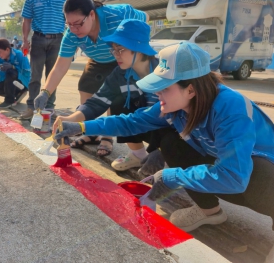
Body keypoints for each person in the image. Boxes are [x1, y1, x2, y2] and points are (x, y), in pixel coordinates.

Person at [55, 41, 274, 238]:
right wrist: (81, 126)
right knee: (171, 143)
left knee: (261, 175)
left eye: (164, 88)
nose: (157, 94)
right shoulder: (174, 107)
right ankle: (210, 211)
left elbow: (235, 177)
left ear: (190, 89)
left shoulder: (230, 109)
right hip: (228, 165)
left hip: (259, 173)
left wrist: (173, 176)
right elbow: (130, 122)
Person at [34, 0, 148, 156]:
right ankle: (90, 132)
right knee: (85, 85)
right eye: (69, 24)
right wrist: (45, 92)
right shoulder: (72, 34)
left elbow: (146, 17)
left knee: (115, 96)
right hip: (97, 59)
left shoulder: (118, 15)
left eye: (78, 24)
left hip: (121, 59)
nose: (73, 29)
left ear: (92, 14)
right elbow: (60, 65)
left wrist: (136, 48)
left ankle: (107, 136)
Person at [53, 19, 167, 170]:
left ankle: (166, 158)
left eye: (120, 49)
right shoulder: (120, 74)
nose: (116, 55)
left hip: (166, 126)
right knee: (118, 102)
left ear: (139, 49)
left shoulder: (165, 73)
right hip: (139, 122)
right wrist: (71, 120)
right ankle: (138, 154)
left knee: (171, 140)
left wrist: (161, 153)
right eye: (113, 50)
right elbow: (97, 101)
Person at [20, 0, 69, 120]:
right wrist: (25, 40)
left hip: (58, 41)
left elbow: (70, 19)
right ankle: (31, 108)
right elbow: (26, 19)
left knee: (52, 75)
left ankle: (49, 108)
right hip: (38, 40)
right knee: (35, 75)